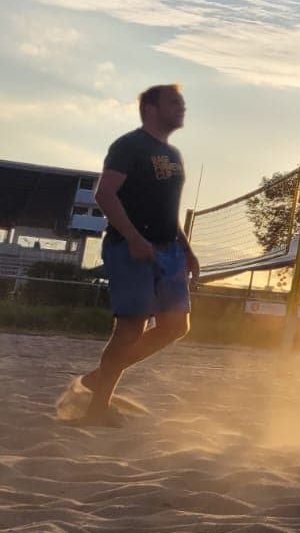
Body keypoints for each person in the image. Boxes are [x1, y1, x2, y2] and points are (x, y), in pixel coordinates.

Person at [66, 84, 200, 427]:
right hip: (130, 248)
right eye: (175, 102)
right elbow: (105, 194)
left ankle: (101, 375)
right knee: (130, 328)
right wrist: (134, 238)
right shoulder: (129, 146)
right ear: (151, 109)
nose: (182, 107)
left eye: (183, 103)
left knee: (176, 327)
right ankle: (98, 408)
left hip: (168, 249)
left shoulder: (174, 155)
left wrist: (186, 249)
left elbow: (168, 209)